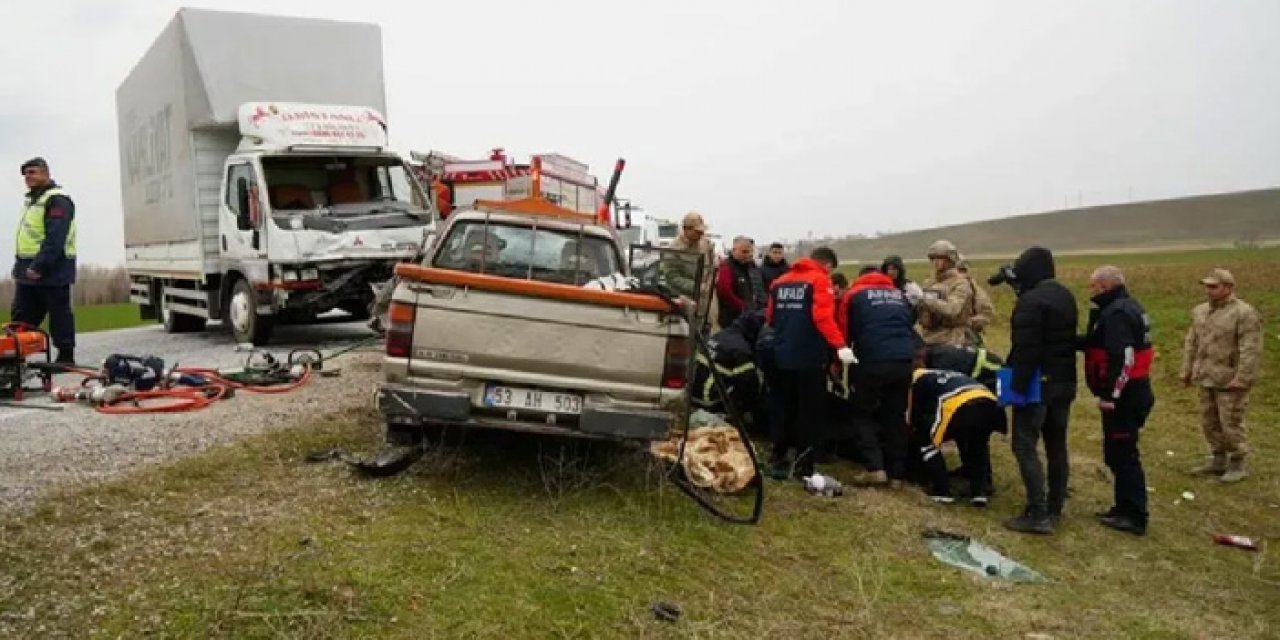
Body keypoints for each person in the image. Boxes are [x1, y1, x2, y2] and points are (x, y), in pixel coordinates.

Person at [1002, 246, 1079, 535]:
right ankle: (1055, 507)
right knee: (1056, 445)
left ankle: (1037, 513)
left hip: (1037, 382)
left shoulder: (1031, 302)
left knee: (1024, 445)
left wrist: (1015, 390)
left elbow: (1026, 349)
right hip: (1064, 381)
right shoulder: (1065, 295)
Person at [766, 246, 855, 479]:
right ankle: (805, 464)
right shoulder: (819, 280)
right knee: (810, 412)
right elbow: (822, 317)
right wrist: (840, 346)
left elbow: (771, 318)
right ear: (827, 265)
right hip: (809, 358)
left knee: (783, 408)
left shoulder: (780, 282)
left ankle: (778, 456)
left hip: (782, 354)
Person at [1082, 266, 1156, 535]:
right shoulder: (1127, 306)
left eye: (1093, 286)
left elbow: (1124, 357)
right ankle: (1122, 506)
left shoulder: (1118, 313)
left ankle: (1135, 515)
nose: (1091, 291)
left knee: (1125, 455)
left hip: (1126, 396)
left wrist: (1111, 395)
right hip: (1134, 391)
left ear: (1104, 286)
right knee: (1116, 454)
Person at [1181, 268, 1264, 483]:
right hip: (1206, 375)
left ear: (1228, 288)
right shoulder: (1200, 312)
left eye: (1214, 287)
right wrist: (1187, 369)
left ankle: (1238, 462)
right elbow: (1192, 342)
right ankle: (1218, 459)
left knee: (1231, 421)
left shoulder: (1244, 313)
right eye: (1207, 286)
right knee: (1209, 420)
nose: (1209, 291)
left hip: (1230, 378)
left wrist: (1243, 377)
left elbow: (1251, 348)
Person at [838, 267, 917, 486]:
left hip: (871, 360)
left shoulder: (854, 295)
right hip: (903, 361)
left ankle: (874, 468)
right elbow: (910, 323)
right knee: (895, 415)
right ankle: (897, 474)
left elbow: (843, 330)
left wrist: (839, 361)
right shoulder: (900, 296)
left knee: (861, 412)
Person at [907, 349, 1005, 506]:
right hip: (990, 404)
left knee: (926, 442)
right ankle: (979, 493)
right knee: (977, 446)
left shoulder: (917, 377)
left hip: (961, 405)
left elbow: (912, 412)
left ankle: (942, 491)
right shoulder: (945, 373)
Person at [11, 157, 77, 364]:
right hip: (27, 269)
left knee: (59, 313)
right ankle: (15, 357)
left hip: (52, 269)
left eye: (33, 172)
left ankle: (66, 357)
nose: (28, 177)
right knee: (22, 317)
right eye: (26, 174)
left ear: (46, 173)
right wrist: (21, 267)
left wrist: (40, 266)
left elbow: (56, 238)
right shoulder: (32, 201)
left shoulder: (57, 200)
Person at [914, 240, 977, 347]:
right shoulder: (929, 282)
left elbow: (952, 309)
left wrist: (926, 299)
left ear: (950, 259)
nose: (936, 262)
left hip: (951, 338)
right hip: (928, 337)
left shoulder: (960, 283)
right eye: (933, 258)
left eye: (940, 258)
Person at [664, 211, 717, 330]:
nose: (701, 235)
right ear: (686, 229)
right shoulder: (674, 249)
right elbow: (672, 278)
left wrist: (710, 281)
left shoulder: (706, 244)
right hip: (685, 300)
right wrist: (698, 286)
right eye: (697, 232)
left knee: (707, 330)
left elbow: (712, 267)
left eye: (702, 231)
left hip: (706, 300)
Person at [715, 236, 766, 328]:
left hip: (749, 316)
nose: (748, 255)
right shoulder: (727, 267)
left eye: (750, 252)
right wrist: (742, 306)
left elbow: (758, 288)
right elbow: (724, 291)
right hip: (732, 319)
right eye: (744, 252)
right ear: (734, 250)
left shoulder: (751, 268)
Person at [957, 256, 995, 345]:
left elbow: (987, 312)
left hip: (969, 339)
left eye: (963, 270)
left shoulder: (975, 290)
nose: (961, 274)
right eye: (959, 270)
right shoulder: (940, 287)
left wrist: (971, 322)